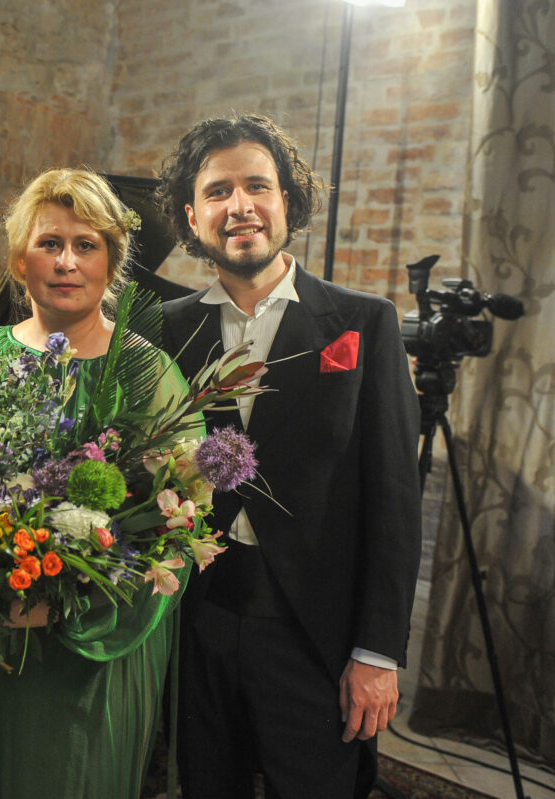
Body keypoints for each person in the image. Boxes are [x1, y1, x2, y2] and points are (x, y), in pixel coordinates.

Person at [0, 168, 202, 799]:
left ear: (112, 263)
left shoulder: (148, 372)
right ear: (20, 261)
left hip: (95, 656)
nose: (67, 262)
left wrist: (66, 610)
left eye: (86, 245)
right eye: (49, 244)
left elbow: (177, 529)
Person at [156, 113, 422, 798]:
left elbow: (394, 499)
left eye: (257, 186)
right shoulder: (165, 330)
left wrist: (378, 650)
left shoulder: (364, 322)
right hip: (197, 624)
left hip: (314, 631)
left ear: (286, 200)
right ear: (191, 215)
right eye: (217, 191)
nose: (239, 205)